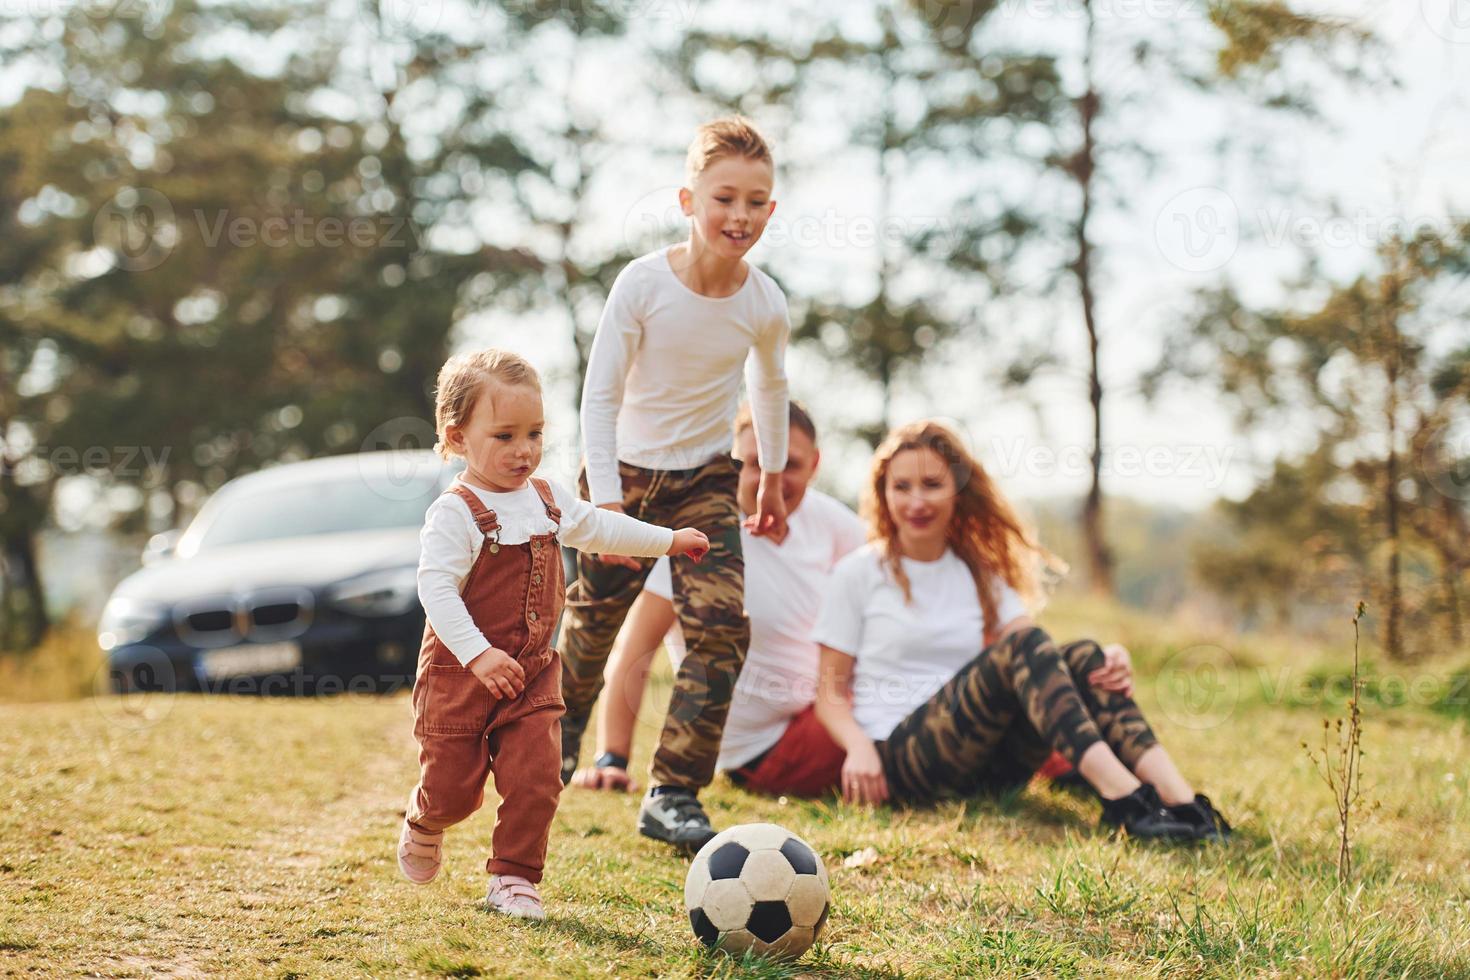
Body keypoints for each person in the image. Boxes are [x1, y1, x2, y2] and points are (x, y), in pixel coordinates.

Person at [760, 420, 1232, 841]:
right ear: (883, 494)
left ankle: (1183, 802)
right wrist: (859, 749)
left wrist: (1108, 658)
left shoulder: (981, 574)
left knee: (1086, 658)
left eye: (932, 484)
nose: (916, 501)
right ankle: (1126, 799)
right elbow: (829, 692)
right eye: (901, 486)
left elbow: (1038, 655)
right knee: (1025, 647)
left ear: (958, 491)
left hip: (985, 765)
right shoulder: (859, 573)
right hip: (901, 759)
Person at [396, 349, 709, 920]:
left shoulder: (547, 498)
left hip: (532, 671)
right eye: (506, 435)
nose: (524, 449)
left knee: (538, 777)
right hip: (459, 678)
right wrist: (479, 654)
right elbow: (435, 592)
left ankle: (513, 877)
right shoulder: (456, 514)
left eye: (535, 433)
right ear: (458, 437)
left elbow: (598, 526)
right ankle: (425, 818)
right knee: (454, 791)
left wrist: (667, 539)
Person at [558, 117, 792, 853]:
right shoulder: (643, 283)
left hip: (705, 481)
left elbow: (772, 386)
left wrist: (773, 476)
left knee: (721, 629)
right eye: (725, 198)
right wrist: (606, 505)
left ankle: (674, 792)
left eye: (757, 202)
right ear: (689, 200)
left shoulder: (764, 304)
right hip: (619, 475)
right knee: (592, 630)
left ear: (771, 211)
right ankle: (552, 749)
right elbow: (599, 397)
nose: (740, 216)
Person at [568, 401, 865, 794]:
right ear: (731, 463)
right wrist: (612, 758)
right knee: (902, 715)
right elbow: (635, 651)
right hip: (765, 749)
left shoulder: (834, 523)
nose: (768, 479)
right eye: (754, 463)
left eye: (787, 465)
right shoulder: (699, 540)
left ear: (815, 465)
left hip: (831, 711)